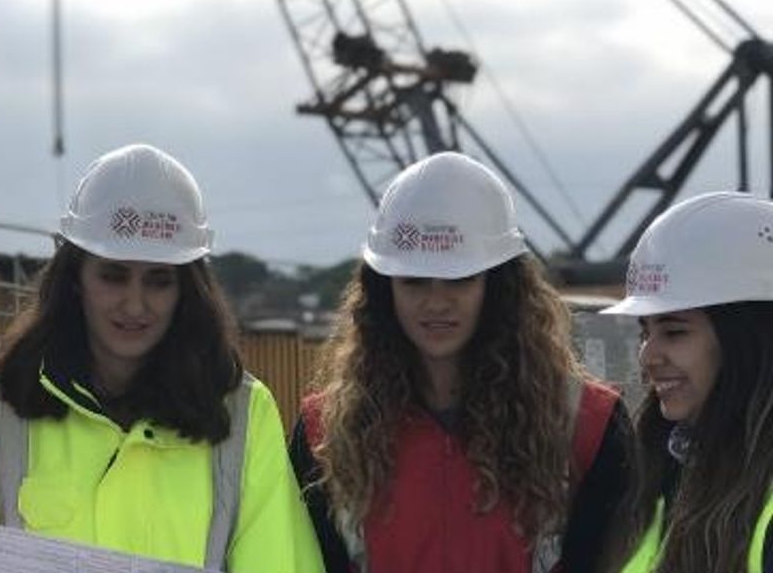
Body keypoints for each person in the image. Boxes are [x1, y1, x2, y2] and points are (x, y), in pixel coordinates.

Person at [0, 143, 323, 573]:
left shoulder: (244, 413)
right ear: (75, 279)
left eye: (158, 280)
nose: (135, 305)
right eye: (113, 276)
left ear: (186, 289)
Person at [289, 151, 630, 573]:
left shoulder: (588, 425)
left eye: (458, 279)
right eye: (414, 281)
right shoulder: (324, 435)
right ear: (383, 290)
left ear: (498, 285)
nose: (436, 302)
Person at [598, 192, 773, 573]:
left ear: (749, 341)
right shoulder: (666, 475)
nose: (647, 356)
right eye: (645, 332)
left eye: (674, 332)